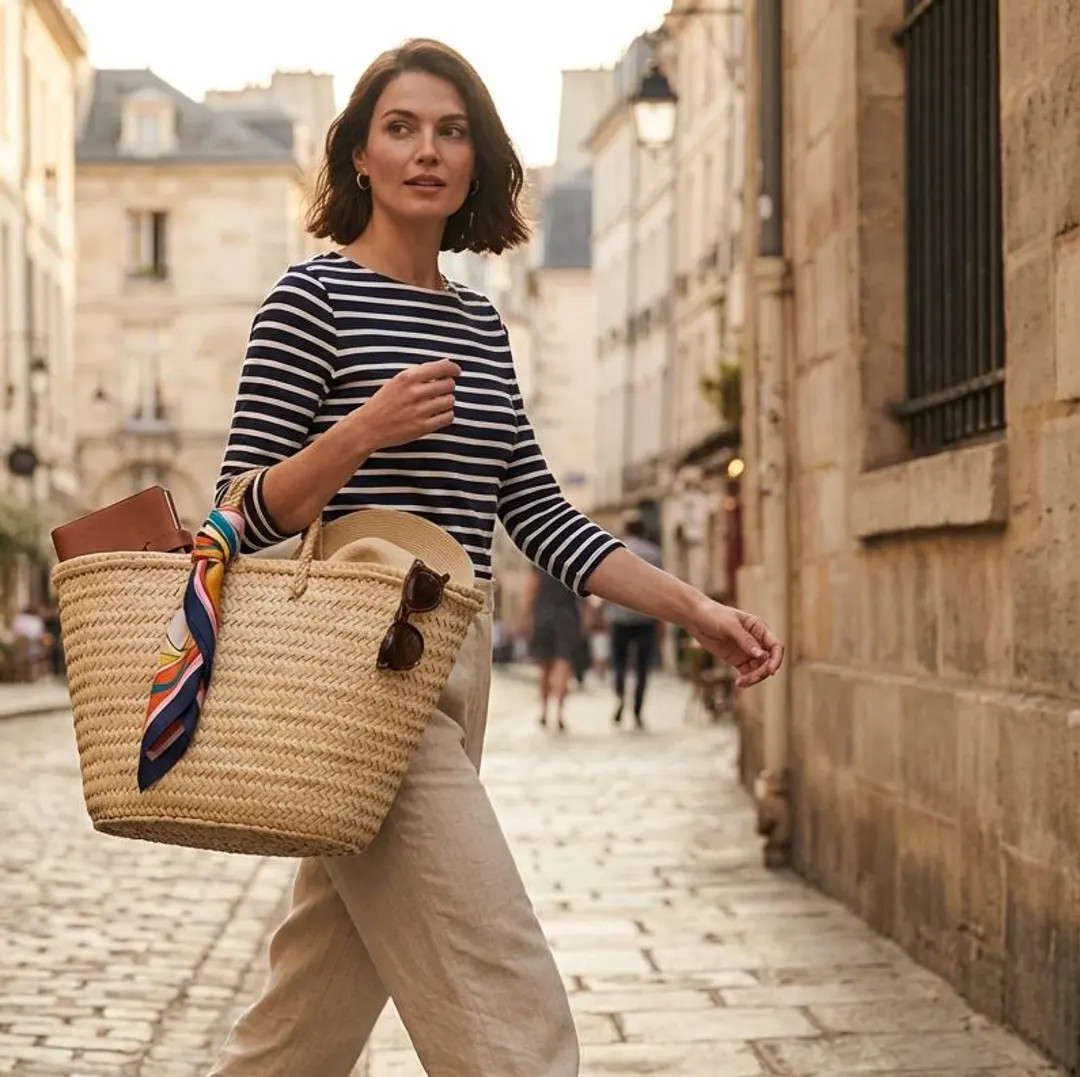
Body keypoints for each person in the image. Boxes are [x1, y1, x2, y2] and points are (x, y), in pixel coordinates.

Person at [206, 38, 783, 1077]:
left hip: (448, 666)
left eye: (452, 130)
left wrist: (696, 610)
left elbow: (542, 517)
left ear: (479, 161)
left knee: (311, 1013)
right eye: (401, 128)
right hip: (352, 674)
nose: (428, 150)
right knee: (509, 1000)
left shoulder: (477, 326)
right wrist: (358, 435)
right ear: (359, 159)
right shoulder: (312, 302)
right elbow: (233, 518)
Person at [608, 517, 663, 730]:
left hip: (619, 618)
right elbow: (660, 588)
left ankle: (621, 697)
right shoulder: (654, 554)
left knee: (619, 665)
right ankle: (638, 710)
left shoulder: (615, 550)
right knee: (642, 668)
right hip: (645, 618)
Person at [521, 565, 585, 732]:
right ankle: (559, 714)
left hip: (543, 616)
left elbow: (530, 590)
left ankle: (543, 710)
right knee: (563, 666)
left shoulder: (539, 562)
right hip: (568, 617)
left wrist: (524, 617)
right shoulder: (573, 563)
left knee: (544, 668)